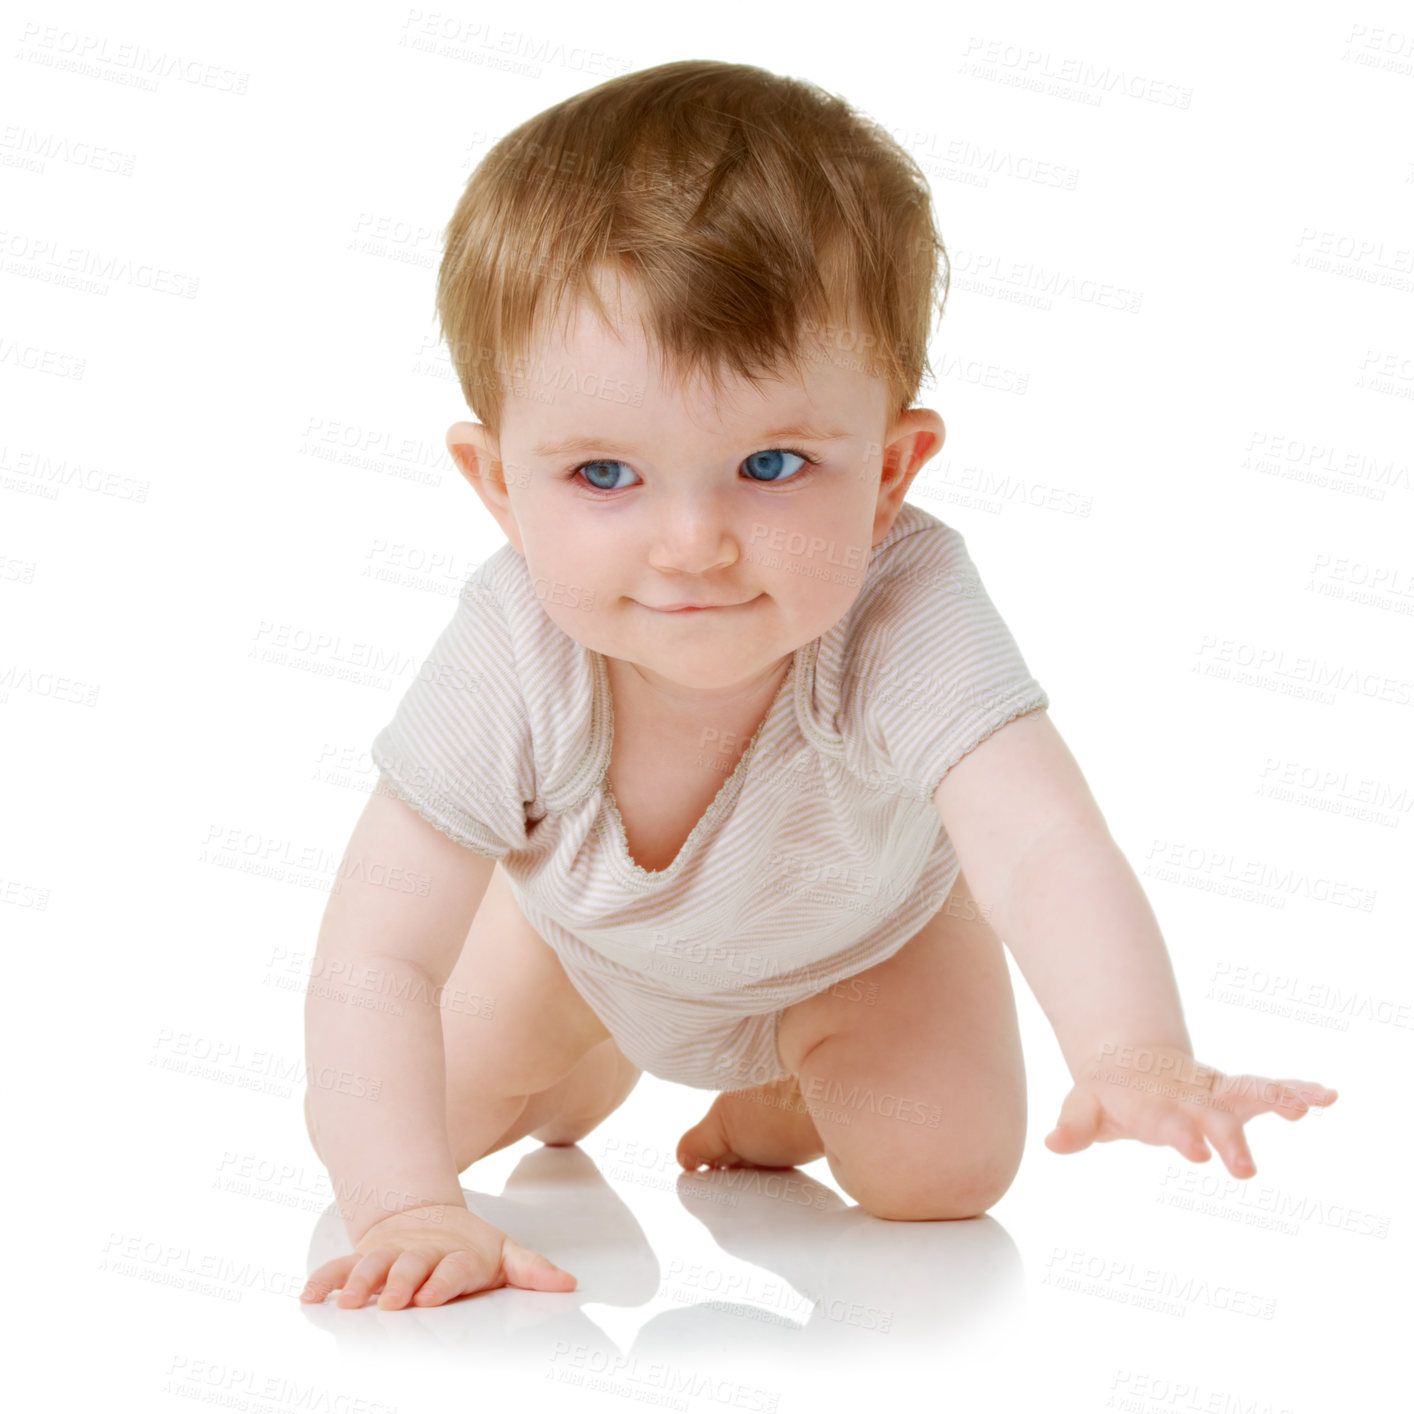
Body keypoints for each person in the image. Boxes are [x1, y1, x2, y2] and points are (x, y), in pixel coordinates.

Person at [300, 59, 1336, 1312]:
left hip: (861, 945)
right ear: (496, 484)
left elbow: (1044, 844)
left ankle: (790, 1083)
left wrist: (1133, 1048)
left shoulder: (906, 608)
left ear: (892, 469)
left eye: (772, 462)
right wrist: (407, 1207)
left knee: (941, 1172)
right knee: (411, 1119)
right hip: (581, 947)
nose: (691, 542)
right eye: (605, 477)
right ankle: (585, 1053)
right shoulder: (513, 647)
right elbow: (376, 956)